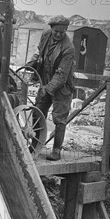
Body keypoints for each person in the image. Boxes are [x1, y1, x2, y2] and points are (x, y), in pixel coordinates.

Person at [26, 15, 75, 161]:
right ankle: (35, 145)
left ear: (66, 30)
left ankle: (56, 150)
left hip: (62, 86)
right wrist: (32, 62)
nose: (59, 34)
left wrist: (47, 89)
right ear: (51, 29)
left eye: (62, 32)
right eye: (56, 31)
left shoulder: (68, 48)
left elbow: (61, 75)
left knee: (59, 119)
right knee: (38, 112)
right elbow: (39, 51)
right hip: (45, 79)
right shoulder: (46, 35)